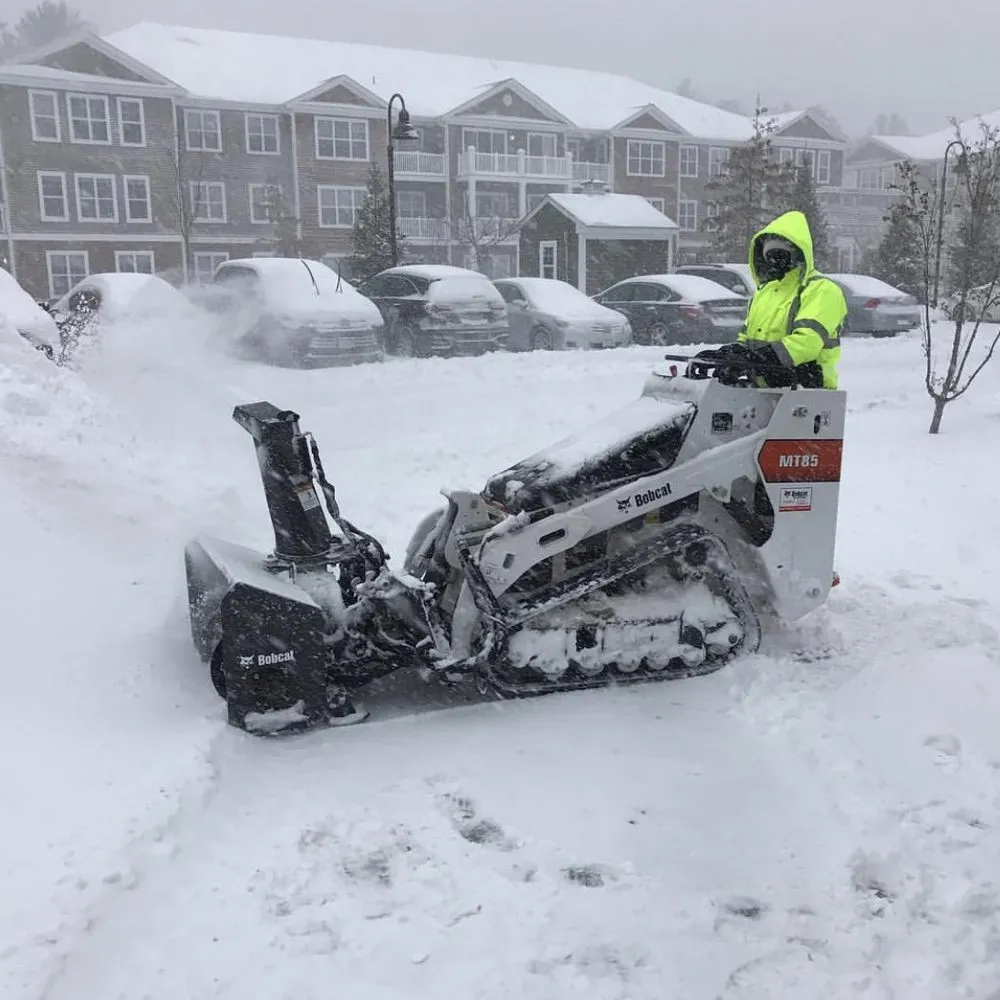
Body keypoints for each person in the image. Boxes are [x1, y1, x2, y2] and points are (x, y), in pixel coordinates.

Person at [696, 210, 847, 389]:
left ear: (798, 254)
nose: (775, 261)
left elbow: (806, 343)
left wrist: (756, 359)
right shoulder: (765, 292)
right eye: (770, 256)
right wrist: (730, 354)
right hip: (764, 388)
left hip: (806, 387)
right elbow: (748, 338)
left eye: (781, 255)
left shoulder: (820, 290)